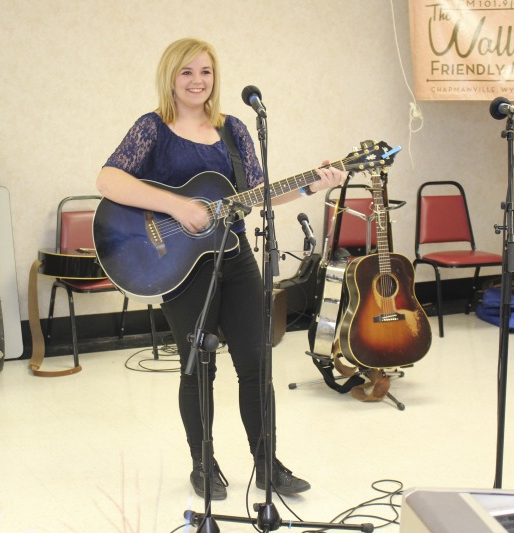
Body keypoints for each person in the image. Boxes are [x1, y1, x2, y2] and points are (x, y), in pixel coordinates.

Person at [96, 38, 343, 499]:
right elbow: (108, 179)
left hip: (235, 258)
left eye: (206, 72)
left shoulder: (234, 130)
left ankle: (268, 465)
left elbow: (259, 192)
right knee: (199, 366)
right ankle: (203, 463)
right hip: (182, 267)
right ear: (171, 76)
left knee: (256, 363)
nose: (197, 81)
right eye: (187, 72)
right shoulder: (152, 127)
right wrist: (178, 206)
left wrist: (312, 184)